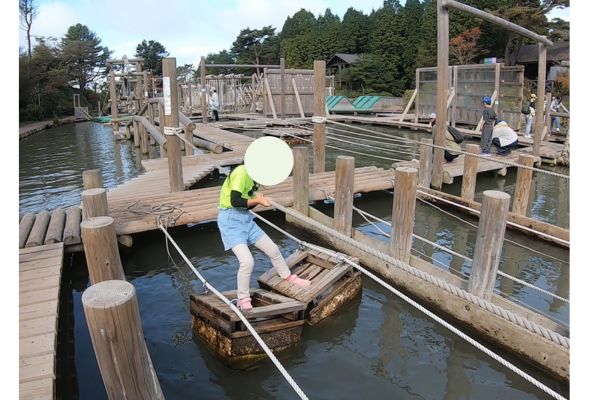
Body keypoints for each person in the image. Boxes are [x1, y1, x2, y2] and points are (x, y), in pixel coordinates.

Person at [217, 164, 310, 312]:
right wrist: (258, 200)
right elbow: (235, 201)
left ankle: (287, 276)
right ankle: (243, 299)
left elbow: (246, 206)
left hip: (245, 219)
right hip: (230, 222)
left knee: (273, 249)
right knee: (247, 262)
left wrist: (257, 198)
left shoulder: (255, 177)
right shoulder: (242, 172)